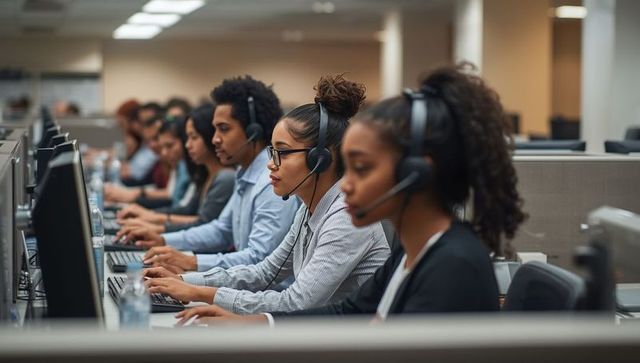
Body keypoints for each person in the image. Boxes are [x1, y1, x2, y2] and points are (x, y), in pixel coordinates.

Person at [173, 63, 527, 325]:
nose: (346, 183)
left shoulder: (454, 266)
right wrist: (250, 322)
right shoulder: (412, 251)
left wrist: (226, 307)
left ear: (416, 172)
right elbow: (351, 312)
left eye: (362, 168)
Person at [142, 75, 390, 314]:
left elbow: (297, 302)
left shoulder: (346, 219)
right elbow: (265, 272)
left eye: (282, 152)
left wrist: (198, 292)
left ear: (320, 159)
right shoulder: (308, 209)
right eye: (273, 151)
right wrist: (185, 280)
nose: (271, 164)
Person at [122, 76, 300, 275]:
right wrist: (163, 239)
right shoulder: (245, 172)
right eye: (215, 129)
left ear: (253, 132)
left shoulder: (270, 182)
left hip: (263, 298)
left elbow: (258, 258)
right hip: (240, 286)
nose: (215, 139)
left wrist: (190, 261)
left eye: (224, 129)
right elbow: (221, 230)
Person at [116, 104, 235, 234]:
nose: (188, 145)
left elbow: (203, 223)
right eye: (187, 138)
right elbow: (188, 210)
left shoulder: (225, 178)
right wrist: (150, 216)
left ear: (208, 137)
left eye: (194, 138)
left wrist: (156, 225)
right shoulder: (205, 173)